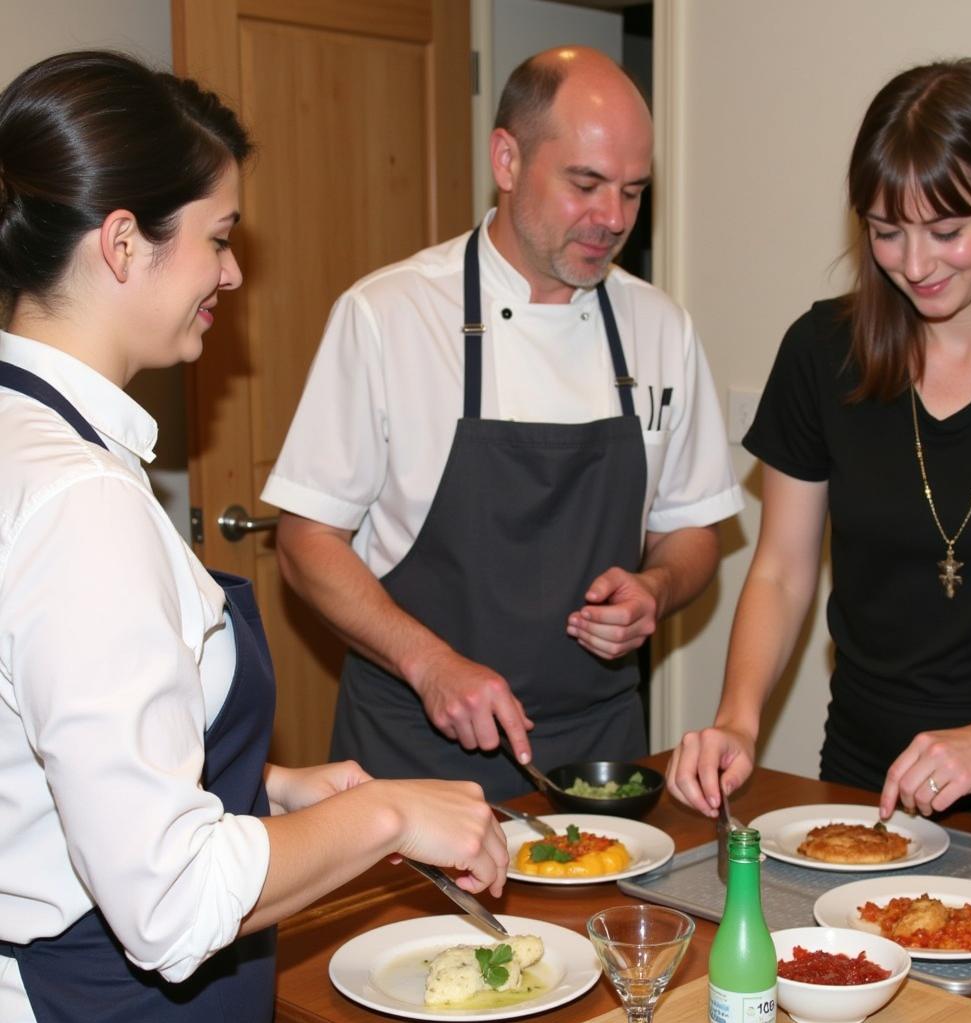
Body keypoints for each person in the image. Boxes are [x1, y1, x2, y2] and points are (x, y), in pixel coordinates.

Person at [0, 50, 507, 1023]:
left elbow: (53, 744)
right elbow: (171, 900)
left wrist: (267, 785)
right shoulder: (81, 503)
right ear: (120, 244)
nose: (232, 272)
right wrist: (390, 812)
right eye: (217, 237)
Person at [262, 46, 743, 801]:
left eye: (633, 192)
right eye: (585, 185)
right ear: (507, 159)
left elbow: (693, 531)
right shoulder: (390, 316)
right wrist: (429, 663)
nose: (612, 219)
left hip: (596, 759)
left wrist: (655, 587)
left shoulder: (660, 328)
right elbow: (304, 541)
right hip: (410, 757)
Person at [668, 58, 971, 825]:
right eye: (887, 232)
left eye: (948, 230)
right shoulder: (821, 352)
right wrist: (737, 716)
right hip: (865, 783)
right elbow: (782, 572)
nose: (916, 265)